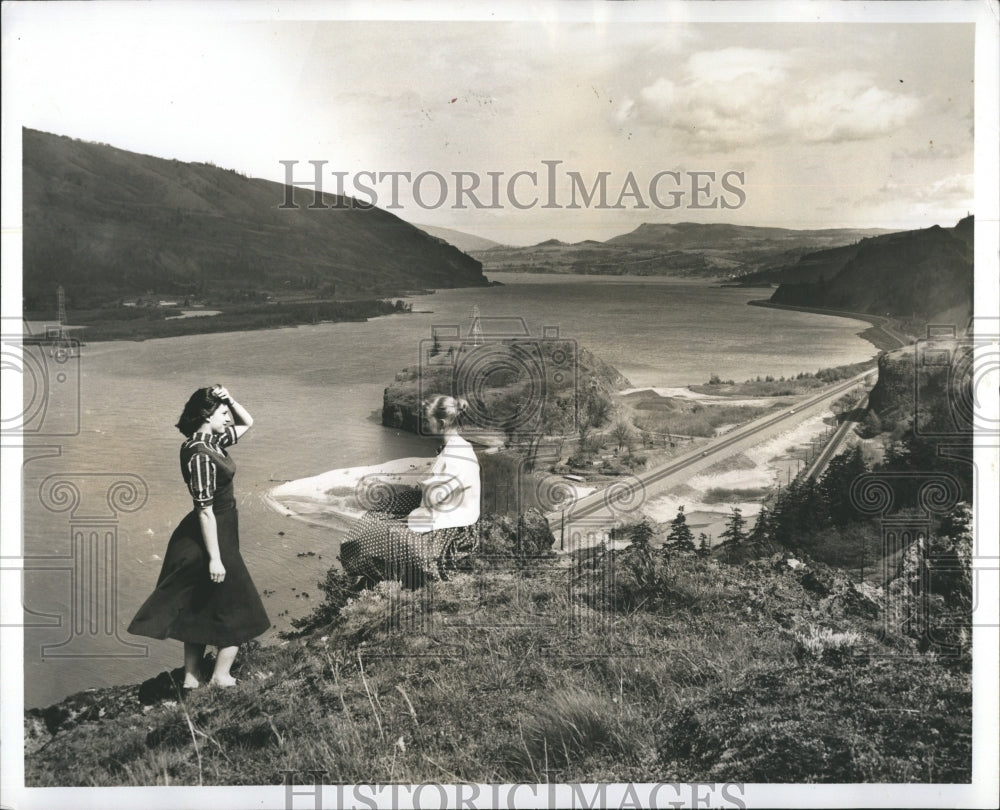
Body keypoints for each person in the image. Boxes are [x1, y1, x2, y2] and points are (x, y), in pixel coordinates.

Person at [128, 385, 269, 688]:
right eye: (222, 413)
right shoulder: (201, 455)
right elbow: (204, 510)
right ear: (207, 415)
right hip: (210, 536)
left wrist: (229, 398)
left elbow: (248, 422)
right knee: (242, 609)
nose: (229, 418)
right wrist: (216, 559)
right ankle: (220, 676)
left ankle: (192, 679)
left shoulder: (212, 442)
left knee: (200, 606)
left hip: (220, 532)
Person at [340, 395, 481, 587]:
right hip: (447, 512)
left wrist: (423, 488)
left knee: (379, 532)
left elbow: (433, 498)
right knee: (385, 507)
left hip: (453, 527)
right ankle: (369, 574)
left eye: (427, 420)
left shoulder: (456, 456)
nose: (425, 423)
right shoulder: (458, 446)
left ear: (440, 423)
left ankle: (371, 577)